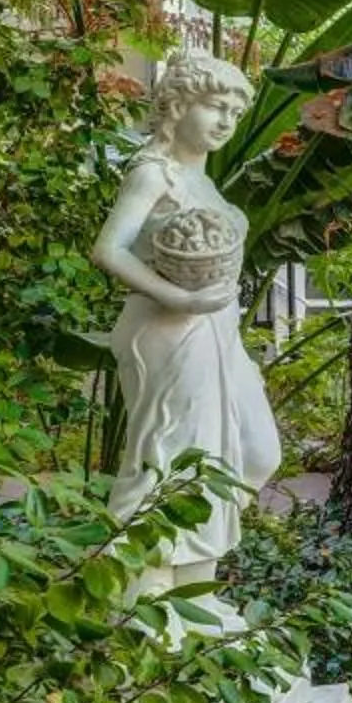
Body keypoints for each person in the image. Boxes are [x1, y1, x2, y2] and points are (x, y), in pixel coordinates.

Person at [90, 45, 280, 589]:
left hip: (217, 332)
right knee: (171, 461)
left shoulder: (205, 182)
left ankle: (194, 588)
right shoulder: (155, 173)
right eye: (214, 107)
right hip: (169, 330)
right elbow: (108, 249)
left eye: (233, 112)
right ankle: (145, 597)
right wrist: (180, 300)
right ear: (178, 105)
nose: (225, 121)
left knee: (253, 453)